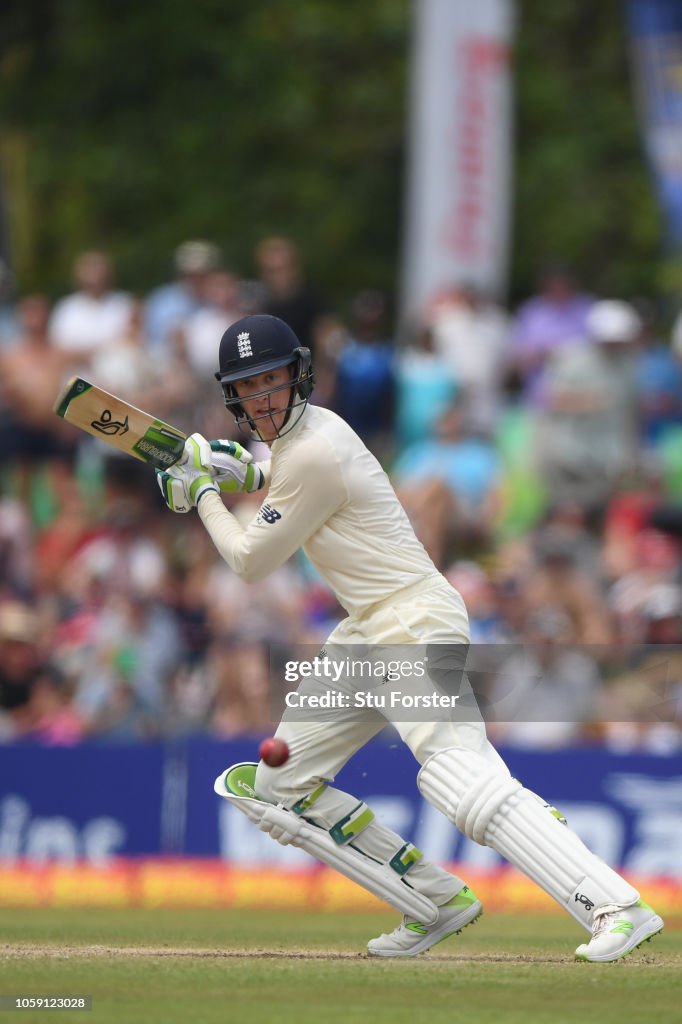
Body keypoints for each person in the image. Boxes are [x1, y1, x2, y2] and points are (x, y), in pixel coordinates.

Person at [156, 313, 663, 962]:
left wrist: (202, 493)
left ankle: (617, 907)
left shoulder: (312, 447)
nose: (262, 398)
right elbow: (284, 482)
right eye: (248, 387)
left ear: (297, 377)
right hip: (366, 632)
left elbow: (252, 561)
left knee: (460, 778)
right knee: (278, 789)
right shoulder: (303, 443)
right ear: (232, 395)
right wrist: (238, 472)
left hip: (413, 623)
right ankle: (434, 900)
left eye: (272, 381)